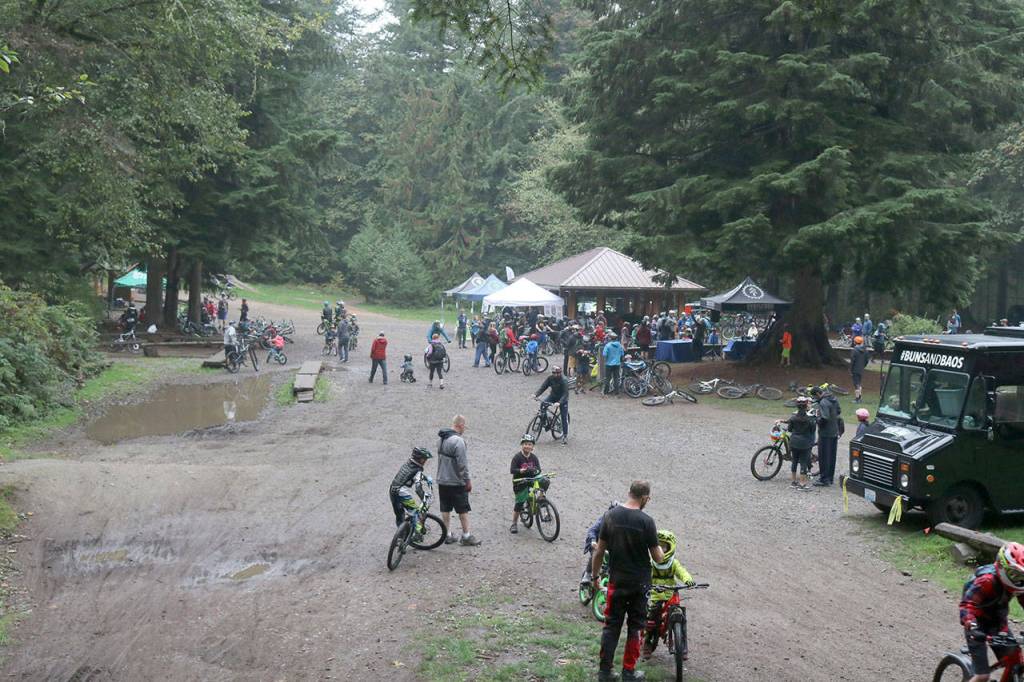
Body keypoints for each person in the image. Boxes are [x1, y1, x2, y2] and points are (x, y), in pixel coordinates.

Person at [592, 481, 664, 682]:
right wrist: (663, 550)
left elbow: (599, 550)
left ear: (629, 493)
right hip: (640, 584)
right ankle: (629, 672)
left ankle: (605, 672)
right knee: (636, 626)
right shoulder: (646, 521)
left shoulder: (610, 516)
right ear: (644, 498)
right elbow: (657, 557)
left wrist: (595, 576)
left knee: (611, 625)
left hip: (616, 581)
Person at [959, 543, 1024, 682]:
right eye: (1015, 574)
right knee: (982, 675)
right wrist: (971, 624)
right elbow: (967, 604)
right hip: (976, 626)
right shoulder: (987, 580)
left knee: (1016, 662)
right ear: (1002, 566)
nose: (1019, 580)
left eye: (1022, 576)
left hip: (998, 623)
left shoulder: (1018, 586)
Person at [642, 529, 695, 659]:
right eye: (659, 546)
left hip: (671, 593)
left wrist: (688, 579)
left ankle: (681, 644)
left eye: (664, 547)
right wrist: (645, 583)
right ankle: (647, 642)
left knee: (680, 615)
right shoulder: (652, 563)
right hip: (656, 594)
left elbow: (681, 571)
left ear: (670, 547)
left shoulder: (673, 563)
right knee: (652, 618)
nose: (662, 550)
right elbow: (646, 575)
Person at [436, 415, 480, 546]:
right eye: (464, 427)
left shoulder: (441, 439)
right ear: (460, 425)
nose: (464, 430)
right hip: (456, 481)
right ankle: (466, 536)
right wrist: (467, 481)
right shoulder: (458, 441)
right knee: (462, 509)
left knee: (445, 508)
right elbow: (462, 464)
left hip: (442, 480)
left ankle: (447, 535)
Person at [509, 434, 547, 534]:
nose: (527, 446)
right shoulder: (517, 457)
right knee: (519, 503)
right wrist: (521, 470)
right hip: (520, 482)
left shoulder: (534, 457)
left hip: (531, 479)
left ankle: (541, 498)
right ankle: (514, 523)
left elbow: (539, 469)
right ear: (522, 445)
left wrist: (536, 471)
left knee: (545, 480)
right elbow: (512, 470)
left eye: (530, 444)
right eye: (525, 444)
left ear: (532, 447)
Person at [389, 447, 432, 527]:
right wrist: (424, 499)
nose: (425, 461)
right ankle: (417, 534)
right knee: (415, 512)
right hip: (402, 493)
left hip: (392, 490)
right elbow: (418, 488)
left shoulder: (408, 463)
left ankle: (400, 535)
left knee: (399, 514)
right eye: (424, 459)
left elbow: (410, 475)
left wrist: (425, 478)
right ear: (420, 459)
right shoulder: (417, 470)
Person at [581, 501, 619, 586]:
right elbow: (592, 530)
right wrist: (593, 541)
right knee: (596, 553)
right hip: (597, 543)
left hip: (610, 546)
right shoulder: (603, 520)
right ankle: (587, 574)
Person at [784, 396, 816, 491]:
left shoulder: (793, 417)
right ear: (806, 406)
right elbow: (812, 430)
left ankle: (793, 482)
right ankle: (802, 484)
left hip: (794, 441)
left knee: (794, 461)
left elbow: (790, 429)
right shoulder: (810, 419)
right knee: (803, 462)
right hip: (805, 443)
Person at [813, 385, 842, 487]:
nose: (815, 399)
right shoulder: (833, 398)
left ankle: (824, 479)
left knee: (824, 456)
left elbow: (824, 418)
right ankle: (830, 478)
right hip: (834, 431)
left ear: (817, 394)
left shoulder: (823, 402)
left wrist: (817, 418)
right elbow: (839, 411)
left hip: (825, 433)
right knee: (831, 456)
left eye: (815, 397)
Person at [534, 366, 570, 445]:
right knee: (543, 404)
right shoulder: (550, 378)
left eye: (558, 373)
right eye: (554, 373)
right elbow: (543, 387)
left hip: (562, 400)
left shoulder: (564, 380)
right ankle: (544, 420)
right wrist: (536, 394)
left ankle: (565, 435)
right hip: (553, 396)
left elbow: (565, 394)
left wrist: (559, 402)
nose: (556, 375)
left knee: (564, 417)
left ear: (560, 373)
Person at [850, 338, 869, 403]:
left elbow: (852, 361)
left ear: (855, 342)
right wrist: (863, 366)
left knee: (856, 384)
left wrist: (851, 369)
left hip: (855, 369)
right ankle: (860, 398)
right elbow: (867, 360)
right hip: (861, 369)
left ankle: (857, 398)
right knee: (859, 383)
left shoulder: (854, 350)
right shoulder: (865, 350)